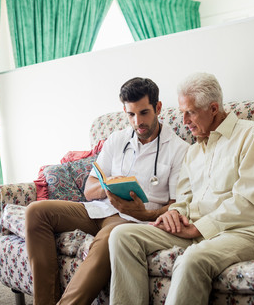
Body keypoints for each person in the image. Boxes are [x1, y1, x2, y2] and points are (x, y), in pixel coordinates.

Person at [108, 72, 254, 305]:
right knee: (122, 236)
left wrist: (199, 229)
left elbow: (251, 204)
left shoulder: (251, 136)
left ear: (213, 108)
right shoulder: (193, 152)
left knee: (192, 259)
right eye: (182, 113)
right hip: (197, 231)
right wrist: (175, 214)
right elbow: (184, 199)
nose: (184, 121)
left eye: (190, 112)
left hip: (249, 232)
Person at [25, 77, 190, 305]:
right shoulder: (117, 139)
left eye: (144, 113)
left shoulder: (179, 149)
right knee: (36, 211)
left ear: (158, 108)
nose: (137, 122)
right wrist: (110, 183)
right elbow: (89, 189)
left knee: (109, 239)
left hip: (132, 221)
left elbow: (177, 204)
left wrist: (142, 212)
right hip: (100, 210)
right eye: (131, 114)